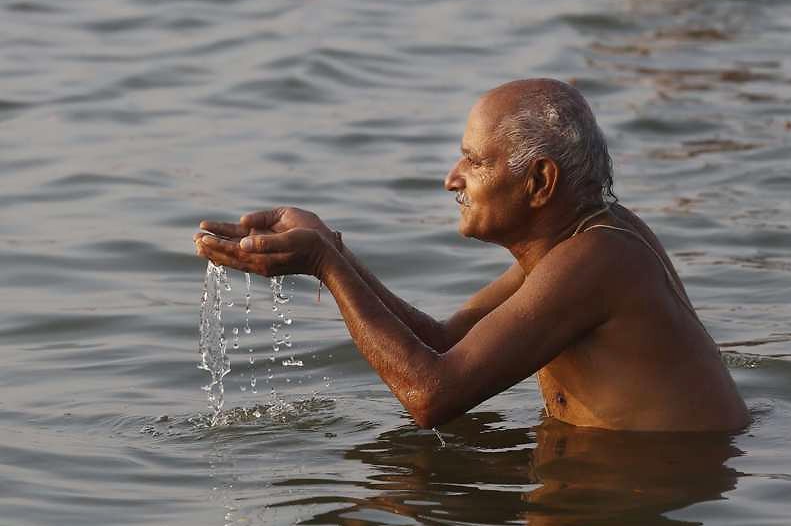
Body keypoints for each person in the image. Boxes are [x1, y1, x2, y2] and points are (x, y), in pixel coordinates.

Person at [194, 78, 749, 432]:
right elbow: (445, 343)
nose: (451, 179)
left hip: (648, 486)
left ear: (539, 182)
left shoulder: (597, 260)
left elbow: (431, 397)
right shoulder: (583, 242)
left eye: (473, 161)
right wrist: (331, 246)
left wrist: (324, 264)